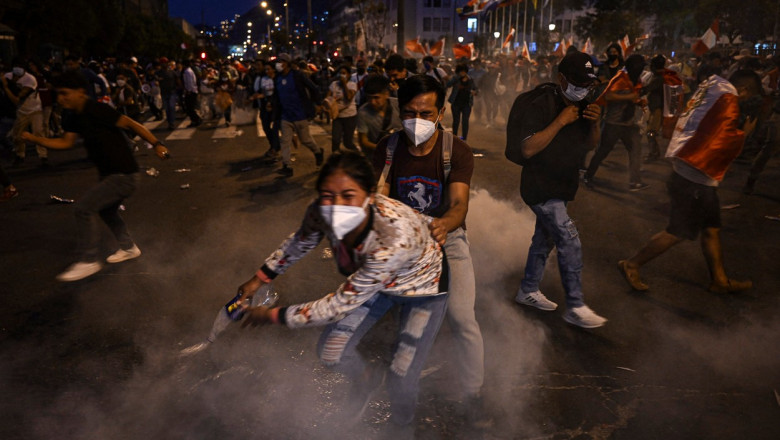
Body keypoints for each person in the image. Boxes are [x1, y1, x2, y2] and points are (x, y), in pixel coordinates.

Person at [238, 151, 447, 428]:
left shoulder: (395, 238)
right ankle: (365, 380)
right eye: (328, 196)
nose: (336, 207)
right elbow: (301, 241)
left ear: (371, 196)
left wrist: (272, 316)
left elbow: (336, 306)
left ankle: (401, 429)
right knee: (331, 353)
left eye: (349, 196)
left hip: (423, 287)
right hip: (376, 282)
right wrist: (259, 279)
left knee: (401, 375)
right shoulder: (320, 210)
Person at [372, 74, 490, 426]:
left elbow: (458, 206)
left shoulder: (457, 150)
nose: (418, 121)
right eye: (410, 113)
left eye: (426, 114)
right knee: (398, 315)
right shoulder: (389, 149)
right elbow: (378, 193)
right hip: (403, 243)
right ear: (399, 111)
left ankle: (474, 394)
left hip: (447, 238)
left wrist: (441, 225)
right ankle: (400, 393)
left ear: (440, 113)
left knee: (462, 318)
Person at [21, 70, 170, 282]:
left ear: (80, 92)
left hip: (124, 174)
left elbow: (130, 124)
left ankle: (89, 260)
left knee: (83, 209)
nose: (61, 98)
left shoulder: (97, 109)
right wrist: (35, 139)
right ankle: (129, 248)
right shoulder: (72, 117)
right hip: (110, 174)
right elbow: (65, 143)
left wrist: (156, 144)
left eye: (65, 93)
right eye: (58, 94)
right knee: (107, 212)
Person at [618, 69, 756, 294]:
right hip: (696, 178)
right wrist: (744, 134)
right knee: (678, 231)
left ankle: (719, 280)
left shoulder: (712, 89)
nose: (745, 101)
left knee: (711, 229)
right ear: (745, 89)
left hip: (692, 171)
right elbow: (723, 138)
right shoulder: (728, 97)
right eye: (748, 97)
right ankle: (632, 264)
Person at [510, 51, 608, 328]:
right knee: (569, 239)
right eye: (577, 82)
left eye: (588, 84)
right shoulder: (541, 104)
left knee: (545, 239)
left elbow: (590, 145)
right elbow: (527, 148)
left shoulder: (585, 104)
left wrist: (596, 122)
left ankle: (527, 289)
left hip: (563, 184)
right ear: (561, 79)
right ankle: (576, 306)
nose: (584, 89)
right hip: (539, 186)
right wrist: (561, 121)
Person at [583, 54, 650, 192]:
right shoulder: (620, 79)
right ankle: (588, 177)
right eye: (640, 67)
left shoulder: (635, 79)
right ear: (633, 67)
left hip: (628, 124)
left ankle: (634, 182)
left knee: (635, 150)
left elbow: (634, 97)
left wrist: (638, 101)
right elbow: (609, 96)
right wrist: (629, 97)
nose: (641, 69)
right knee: (602, 152)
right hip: (613, 124)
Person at [273, 53, 324, 177]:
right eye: (278, 61)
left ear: (288, 63)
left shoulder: (297, 75)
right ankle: (287, 166)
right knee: (285, 141)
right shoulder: (278, 78)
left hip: (300, 114)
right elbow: (277, 97)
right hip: (286, 116)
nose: (279, 64)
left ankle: (318, 152)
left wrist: (317, 103)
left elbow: (314, 88)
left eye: (282, 61)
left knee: (305, 140)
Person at [2, 58, 48, 167]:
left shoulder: (30, 79)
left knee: (38, 133)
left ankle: (43, 156)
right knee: (17, 135)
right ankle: (20, 155)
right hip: (21, 111)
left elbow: (17, 99)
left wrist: (6, 87)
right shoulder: (7, 76)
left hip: (35, 109)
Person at [356, 74, 401, 157]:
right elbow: (363, 140)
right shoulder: (363, 112)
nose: (372, 102)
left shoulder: (399, 105)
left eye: (376, 97)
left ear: (386, 94)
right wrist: (383, 149)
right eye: (369, 98)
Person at [328, 65, 359, 153]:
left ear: (349, 75)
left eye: (344, 73)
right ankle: (334, 159)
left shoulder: (352, 85)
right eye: (340, 73)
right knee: (335, 139)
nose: (342, 75)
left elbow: (349, 97)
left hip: (350, 116)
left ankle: (359, 154)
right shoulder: (334, 84)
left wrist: (344, 84)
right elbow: (328, 97)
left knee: (347, 142)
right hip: (337, 116)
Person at [446, 64, 477, 141]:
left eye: (463, 71)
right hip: (456, 103)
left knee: (465, 121)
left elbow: (476, 89)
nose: (462, 73)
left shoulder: (470, 80)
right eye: (460, 71)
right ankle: (455, 137)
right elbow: (448, 84)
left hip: (467, 103)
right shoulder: (456, 79)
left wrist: (474, 92)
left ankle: (464, 138)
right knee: (456, 121)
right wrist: (456, 78)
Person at [181, 59, 202, 128]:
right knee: (190, 107)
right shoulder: (189, 71)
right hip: (192, 91)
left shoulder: (188, 72)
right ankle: (195, 120)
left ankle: (196, 119)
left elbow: (190, 82)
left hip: (191, 92)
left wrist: (188, 91)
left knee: (190, 108)